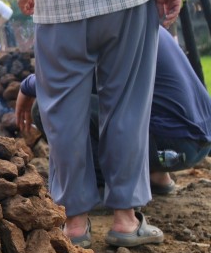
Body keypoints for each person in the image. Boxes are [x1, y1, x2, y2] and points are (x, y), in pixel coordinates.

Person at [0, 0, 182, 248]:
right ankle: (126, 220)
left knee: (63, 115)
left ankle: (75, 225)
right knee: (126, 106)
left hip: (59, 6)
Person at [16, 26, 211, 222]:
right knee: (123, 98)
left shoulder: (102, 32)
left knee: (46, 107)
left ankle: (101, 187)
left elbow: (64, 82)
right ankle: (157, 176)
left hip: (171, 143)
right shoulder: (138, 19)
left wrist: (27, 86)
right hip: (195, 140)